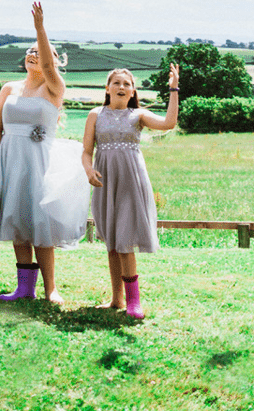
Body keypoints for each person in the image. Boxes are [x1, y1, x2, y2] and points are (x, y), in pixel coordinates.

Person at [0, 2, 89, 303]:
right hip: (11, 159)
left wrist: (40, 28)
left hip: (41, 162)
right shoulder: (9, 88)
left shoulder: (54, 88)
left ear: (55, 62)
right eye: (29, 50)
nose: (34, 54)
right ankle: (24, 288)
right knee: (18, 221)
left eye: (41, 52)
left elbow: (47, 66)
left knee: (40, 223)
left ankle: (51, 288)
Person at [81, 64, 180, 319]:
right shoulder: (95, 114)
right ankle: (116, 299)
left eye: (127, 84)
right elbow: (86, 151)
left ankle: (134, 302)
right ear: (107, 88)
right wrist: (89, 170)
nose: (122, 87)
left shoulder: (138, 115)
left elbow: (169, 123)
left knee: (125, 240)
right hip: (105, 182)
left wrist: (173, 89)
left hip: (131, 182)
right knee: (113, 242)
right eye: (117, 83)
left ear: (133, 90)